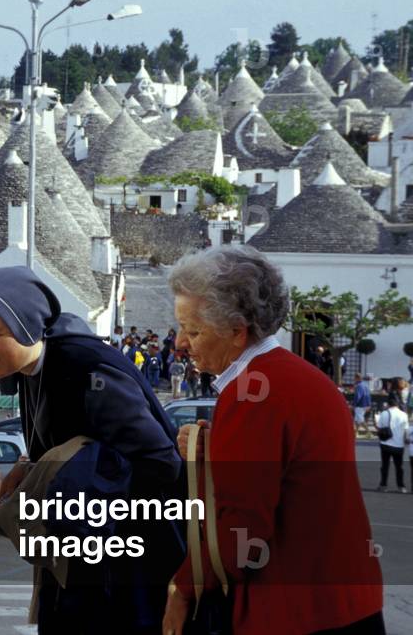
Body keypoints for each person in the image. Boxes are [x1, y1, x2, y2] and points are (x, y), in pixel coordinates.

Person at [163, 246, 383, 635]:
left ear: (236, 330)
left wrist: (182, 587)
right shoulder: (305, 377)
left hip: (295, 612)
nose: (181, 342)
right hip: (348, 601)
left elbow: (242, 533)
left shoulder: (250, 394)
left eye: (194, 330)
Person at [0, 266, 183, 634]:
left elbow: (163, 464)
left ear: (28, 327)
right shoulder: (29, 371)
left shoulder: (87, 370)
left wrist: (81, 489)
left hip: (122, 571)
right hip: (76, 562)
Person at [376, 393, 409, 493]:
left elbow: (379, 428)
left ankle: (383, 485)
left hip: (385, 444)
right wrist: (405, 441)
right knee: (399, 467)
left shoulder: (384, 413)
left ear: (388, 402)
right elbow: (405, 430)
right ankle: (401, 487)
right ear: (398, 403)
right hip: (399, 445)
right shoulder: (404, 415)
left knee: (384, 466)